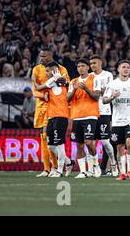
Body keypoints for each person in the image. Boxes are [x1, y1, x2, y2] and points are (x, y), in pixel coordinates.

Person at [32, 48, 69, 177]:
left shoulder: (60, 70)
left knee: (55, 141)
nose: (41, 58)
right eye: (40, 56)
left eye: (44, 56)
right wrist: (43, 96)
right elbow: (35, 91)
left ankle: (56, 167)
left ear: (51, 56)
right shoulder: (36, 69)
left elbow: (66, 86)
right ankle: (47, 168)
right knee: (45, 138)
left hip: (57, 108)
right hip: (43, 107)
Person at [67, 58, 101, 179]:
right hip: (76, 116)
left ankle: (96, 164)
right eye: (78, 66)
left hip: (90, 115)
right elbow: (67, 99)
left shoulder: (94, 79)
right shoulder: (73, 82)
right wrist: (75, 89)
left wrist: (85, 88)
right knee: (79, 145)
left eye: (83, 66)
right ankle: (83, 171)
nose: (80, 68)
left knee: (88, 142)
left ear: (88, 67)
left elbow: (96, 97)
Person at [90, 55, 118, 176]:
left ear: (100, 63)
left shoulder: (108, 75)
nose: (92, 65)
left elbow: (109, 92)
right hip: (90, 112)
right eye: (91, 63)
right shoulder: (89, 76)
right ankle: (93, 168)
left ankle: (111, 164)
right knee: (89, 141)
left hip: (104, 111)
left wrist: (96, 90)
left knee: (105, 141)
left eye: (94, 63)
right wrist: (100, 90)